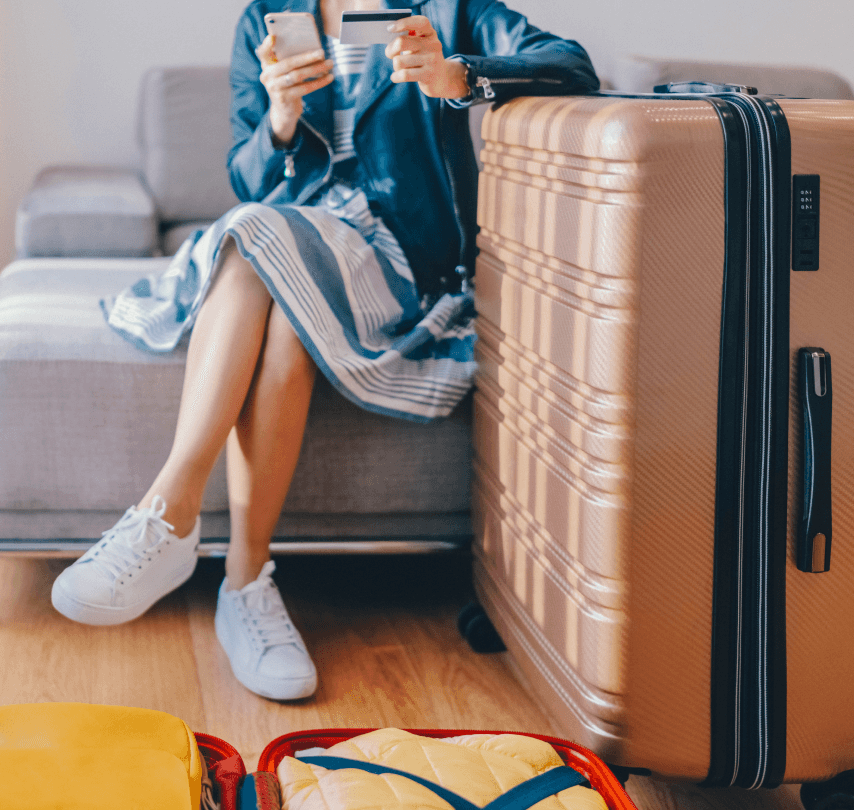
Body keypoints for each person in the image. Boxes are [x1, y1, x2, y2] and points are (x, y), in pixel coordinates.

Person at [51, 0, 598, 701]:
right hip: (291, 240)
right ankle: (245, 585)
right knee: (275, 291)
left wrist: (454, 75)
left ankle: (167, 515)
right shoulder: (268, 16)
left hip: (396, 259)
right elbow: (248, 178)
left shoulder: (446, 10)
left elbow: (571, 65)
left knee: (253, 238)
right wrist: (279, 117)